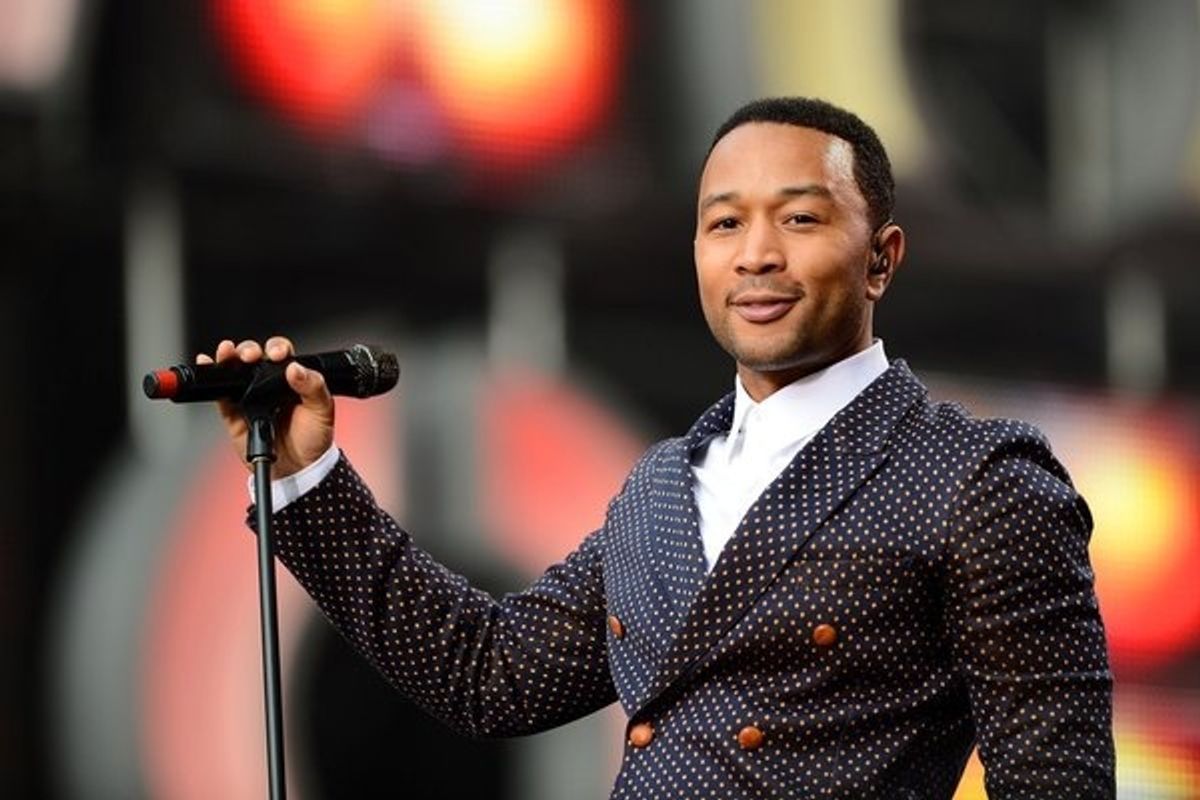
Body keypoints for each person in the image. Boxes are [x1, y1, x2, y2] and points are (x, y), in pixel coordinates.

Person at [201, 97, 1115, 798]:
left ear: (881, 257)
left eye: (798, 219)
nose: (755, 254)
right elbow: (487, 673)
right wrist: (305, 475)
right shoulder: (662, 486)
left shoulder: (977, 480)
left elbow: (1058, 786)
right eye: (724, 223)